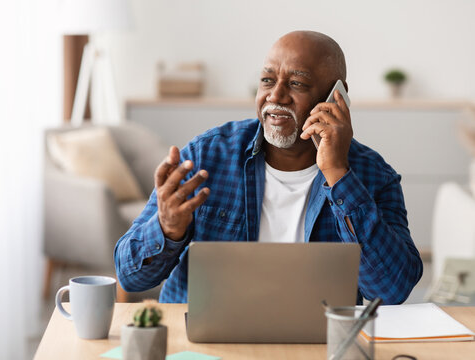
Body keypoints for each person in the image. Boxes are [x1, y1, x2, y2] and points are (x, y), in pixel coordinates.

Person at [114, 31, 423, 305]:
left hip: (317, 347)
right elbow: (130, 277)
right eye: (267, 80)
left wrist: (338, 174)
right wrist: (168, 228)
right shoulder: (207, 156)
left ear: (336, 97)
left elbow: (392, 291)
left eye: (297, 83)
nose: (275, 96)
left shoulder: (373, 175)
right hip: (206, 346)